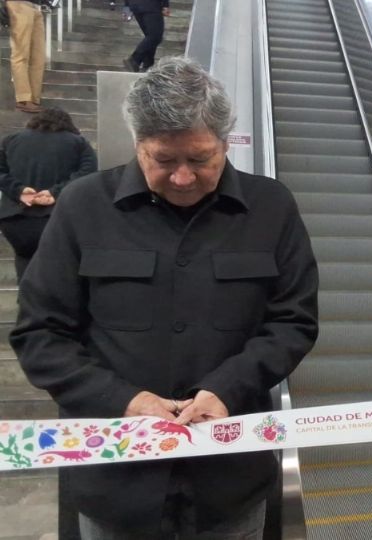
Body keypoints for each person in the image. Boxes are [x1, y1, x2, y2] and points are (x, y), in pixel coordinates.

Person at [11, 57, 319, 538]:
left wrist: (227, 388)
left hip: (230, 478)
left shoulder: (271, 207)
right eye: (163, 159)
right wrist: (124, 399)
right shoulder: (83, 205)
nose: (182, 177)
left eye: (200, 159)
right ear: (138, 145)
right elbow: (40, 333)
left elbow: (292, 321)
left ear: (225, 141)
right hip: (115, 480)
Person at [0, 107, 97, 280]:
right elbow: (88, 172)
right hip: (58, 218)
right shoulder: (78, 142)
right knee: (59, 269)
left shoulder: (10, 140)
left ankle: (26, 301)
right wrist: (55, 193)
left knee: (24, 262)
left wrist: (19, 191)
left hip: (15, 220)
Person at [7, 0, 46, 113]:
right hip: (18, 4)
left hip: (36, 6)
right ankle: (23, 99)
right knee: (20, 54)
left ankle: (34, 98)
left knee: (38, 57)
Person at [123, 0, 169, 73]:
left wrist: (126, 6)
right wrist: (165, 5)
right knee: (155, 36)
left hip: (135, 5)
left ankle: (147, 65)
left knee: (150, 36)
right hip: (151, 5)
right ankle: (135, 59)